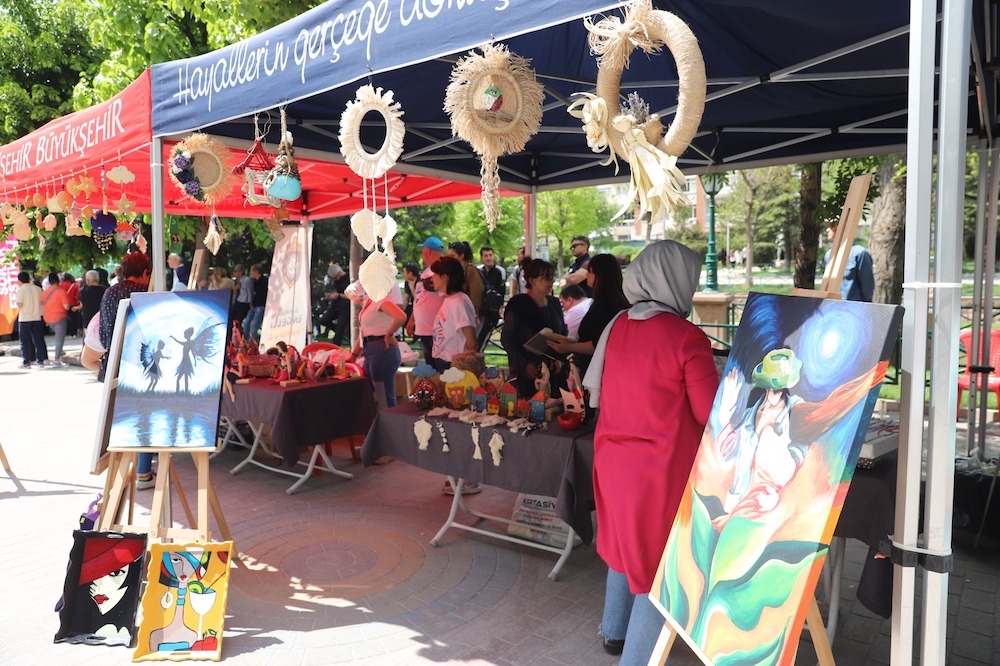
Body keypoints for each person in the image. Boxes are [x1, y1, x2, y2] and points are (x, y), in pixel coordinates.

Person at [582, 240, 718, 663]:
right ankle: (636, 657)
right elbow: (709, 412)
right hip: (659, 472)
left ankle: (614, 630)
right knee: (659, 570)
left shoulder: (618, 325)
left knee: (625, 549)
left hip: (612, 461)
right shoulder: (686, 337)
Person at [98, 252, 154, 489]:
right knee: (145, 417)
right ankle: (143, 473)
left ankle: (120, 474)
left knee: (122, 419)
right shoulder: (144, 293)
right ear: (145, 273)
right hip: (139, 365)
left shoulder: (110, 292)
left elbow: (102, 333)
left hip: (113, 365)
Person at [549, 253, 630, 377]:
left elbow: (598, 343)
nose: (586, 275)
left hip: (597, 370)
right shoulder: (611, 301)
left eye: (590, 272)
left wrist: (570, 347)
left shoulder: (606, 305)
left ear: (601, 275)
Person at [501, 258, 567, 398]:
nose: (551, 281)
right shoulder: (518, 304)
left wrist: (559, 358)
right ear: (531, 280)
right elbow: (507, 339)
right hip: (527, 371)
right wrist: (525, 364)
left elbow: (562, 331)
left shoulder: (554, 303)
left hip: (553, 369)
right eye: (546, 277)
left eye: (552, 277)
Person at [349, 280, 408, 411]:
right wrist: (353, 355)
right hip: (371, 349)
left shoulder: (380, 300)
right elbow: (364, 330)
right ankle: (381, 420)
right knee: (373, 391)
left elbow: (401, 316)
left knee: (384, 397)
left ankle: (389, 422)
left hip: (381, 349)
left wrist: (389, 334)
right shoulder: (370, 301)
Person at [429, 256, 478, 373]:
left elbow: (471, 341)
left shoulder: (459, 302)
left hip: (453, 364)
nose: (432, 278)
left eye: (435, 274)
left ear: (444, 277)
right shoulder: (449, 299)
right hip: (444, 360)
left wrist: (462, 364)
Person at [406, 236, 446, 365]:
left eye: (423, 250)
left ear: (427, 252)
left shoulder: (442, 270)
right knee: (431, 368)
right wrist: (412, 319)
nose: (422, 254)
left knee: (440, 368)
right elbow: (420, 298)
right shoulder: (426, 272)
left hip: (438, 332)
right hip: (425, 330)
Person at [824, 220, 875, 302]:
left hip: (854, 306)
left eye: (831, 226)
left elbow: (867, 287)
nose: (827, 230)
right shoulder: (829, 255)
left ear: (842, 228)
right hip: (833, 306)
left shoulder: (860, 253)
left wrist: (865, 306)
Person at [15, 271, 47, 368]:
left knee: (24, 341)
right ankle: (40, 360)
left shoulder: (20, 290)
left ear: (19, 280)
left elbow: (20, 304)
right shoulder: (38, 289)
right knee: (38, 339)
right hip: (36, 316)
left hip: (24, 318)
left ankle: (26, 362)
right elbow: (42, 302)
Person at [447, 241, 484, 327]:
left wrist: (475, 314)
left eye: (453, 256)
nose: (450, 259)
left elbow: (476, 292)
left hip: (468, 314)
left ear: (461, 256)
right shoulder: (455, 271)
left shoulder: (470, 270)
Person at [478, 245, 507, 349]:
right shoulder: (479, 272)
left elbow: (501, 292)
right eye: (486, 255)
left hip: (492, 311)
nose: (488, 258)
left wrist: (500, 308)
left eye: (490, 255)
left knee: (483, 337)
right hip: (481, 310)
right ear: (481, 257)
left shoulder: (499, 272)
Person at [41, 272, 71, 367]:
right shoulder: (61, 292)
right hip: (59, 317)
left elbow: (42, 303)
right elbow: (66, 306)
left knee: (57, 337)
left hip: (47, 318)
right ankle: (56, 360)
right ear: (58, 281)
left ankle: (60, 352)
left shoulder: (45, 292)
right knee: (59, 339)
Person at [318, 264, 351, 345]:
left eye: (335, 278)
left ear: (340, 273)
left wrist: (339, 295)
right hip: (335, 305)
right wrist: (330, 295)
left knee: (339, 331)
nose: (334, 280)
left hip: (345, 307)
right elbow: (335, 292)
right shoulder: (336, 282)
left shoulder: (349, 279)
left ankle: (336, 345)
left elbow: (352, 296)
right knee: (323, 320)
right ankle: (340, 331)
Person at [243, 264, 268, 343]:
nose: (250, 273)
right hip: (254, 305)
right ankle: (246, 342)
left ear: (256, 272)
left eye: (251, 271)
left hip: (261, 305)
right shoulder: (254, 282)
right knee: (246, 324)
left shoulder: (264, 281)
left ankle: (252, 343)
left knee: (253, 326)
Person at [401, 262, 421, 334]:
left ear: (410, 273)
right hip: (413, 306)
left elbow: (419, 300)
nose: (403, 274)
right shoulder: (407, 282)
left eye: (404, 272)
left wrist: (412, 287)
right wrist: (401, 309)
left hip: (421, 307)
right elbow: (406, 298)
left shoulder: (421, 281)